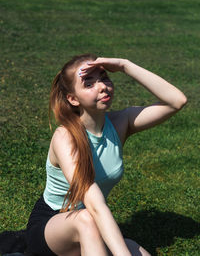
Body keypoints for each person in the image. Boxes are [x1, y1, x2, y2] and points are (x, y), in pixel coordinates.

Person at [26, 53, 187, 256]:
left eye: (104, 78)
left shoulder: (121, 122)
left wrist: (124, 65)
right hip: (53, 227)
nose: (101, 86)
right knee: (86, 219)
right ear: (73, 99)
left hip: (94, 224)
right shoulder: (65, 137)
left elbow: (177, 101)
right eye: (89, 83)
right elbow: (94, 204)